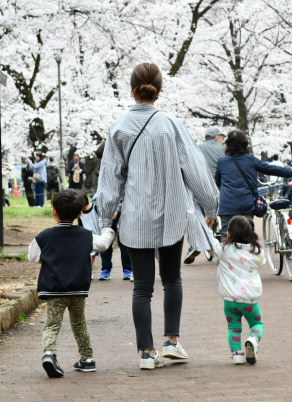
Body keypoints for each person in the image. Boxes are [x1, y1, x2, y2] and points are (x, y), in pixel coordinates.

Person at [97, 63, 219, 369]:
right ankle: (172, 342)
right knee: (172, 278)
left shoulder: (119, 127)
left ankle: (146, 354)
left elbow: (110, 179)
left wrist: (103, 219)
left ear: (132, 89)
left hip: (135, 215)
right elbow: (195, 169)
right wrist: (211, 206)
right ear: (159, 90)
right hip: (172, 213)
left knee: (142, 286)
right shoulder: (172, 125)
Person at [28, 189, 114, 378]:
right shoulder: (85, 235)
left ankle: (49, 353)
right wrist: (108, 229)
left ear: (54, 211)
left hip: (54, 289)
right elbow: (103, 244)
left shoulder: (44, 237)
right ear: (79, 213)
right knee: (79, 323)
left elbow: (32, 255)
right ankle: (87, 358)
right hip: (77, 288)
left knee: (52, 324)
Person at [216, 130, 292, 239]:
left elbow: (218, 182)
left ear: (227, 144)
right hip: (246, 205)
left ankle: (226, 255)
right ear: (245, 143)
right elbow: (270, 169)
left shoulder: (222, 160)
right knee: (246, 235)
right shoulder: (250, 159)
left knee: (226, 236)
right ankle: (246, 255)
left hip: (227, 205)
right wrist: (290, 171)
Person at [210, 216, 265, 365]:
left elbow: (211, 243)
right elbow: (262, 262)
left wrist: (207, 228)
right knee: (256, 324)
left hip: (230, 301)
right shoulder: (257, 252)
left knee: (234, 327)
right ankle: (252, 340)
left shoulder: (224, 250)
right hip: (249, 300)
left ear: (229, 233)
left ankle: (237, 355)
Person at [184, 126, 226, 264]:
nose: (222, 139)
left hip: (201, 188)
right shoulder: (224, 149)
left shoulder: (197, 147)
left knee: (200, 217)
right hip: (221, 188)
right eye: (221, 137)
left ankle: (195, 244)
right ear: (216, 137)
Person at [94, 142, 132, 281]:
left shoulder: (123, 167)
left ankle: (127, 269)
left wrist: (117, 207)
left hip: (123, 209)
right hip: (106, 210)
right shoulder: (105, 169)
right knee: (105, 239)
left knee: (124, 240)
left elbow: (124, 189)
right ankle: (105, 269)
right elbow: (101, 191)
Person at [78, 193, 102, 280]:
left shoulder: (95, 207)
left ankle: (90, 270)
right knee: (88, 253)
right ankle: (88, 271)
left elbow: (101, 218)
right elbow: (80, 224)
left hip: (96, 234)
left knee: (92, 253)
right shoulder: (80, 212)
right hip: (86, 234)